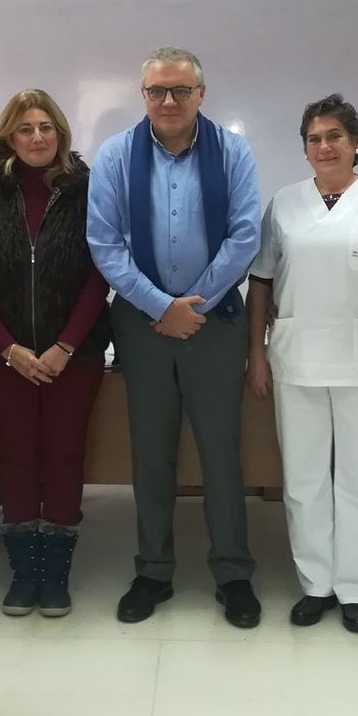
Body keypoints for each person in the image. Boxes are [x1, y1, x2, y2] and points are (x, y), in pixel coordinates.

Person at [87, 47, 262, 628]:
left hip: (214, 325)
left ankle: (233, 572)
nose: (167, 101)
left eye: (180, 91)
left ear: (200, 95)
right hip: (142, 325)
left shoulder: (232, 151)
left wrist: (195, 306)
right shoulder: (115, 156)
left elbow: (244, 236)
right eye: (157, 91)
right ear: (143, 96)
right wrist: (162, 306)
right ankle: (153, 570)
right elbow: (105, 244)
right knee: (151, 449)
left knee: (220, 451)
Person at [246, 95, 358, 634]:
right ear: (304, 148)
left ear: (356, 142)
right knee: (303, 479)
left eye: (335, 137)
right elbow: (262, 281)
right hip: (296, 358)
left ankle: (357, 590)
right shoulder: (286, 203)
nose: (324, 147)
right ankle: (315, 584)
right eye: (314, 139)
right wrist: (256, 351)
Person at [0, 90, 110, 618]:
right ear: (9, 137)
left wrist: (65, 345)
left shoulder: (87, 191)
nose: (37, 137)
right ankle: (25, 572)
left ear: (61, 134)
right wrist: (8, 348)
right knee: (18, 458)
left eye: (46, 127)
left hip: (76, 354)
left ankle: (56, 573)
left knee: (65, 457)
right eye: (25, 129)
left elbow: (100, 272)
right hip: (7, 358)